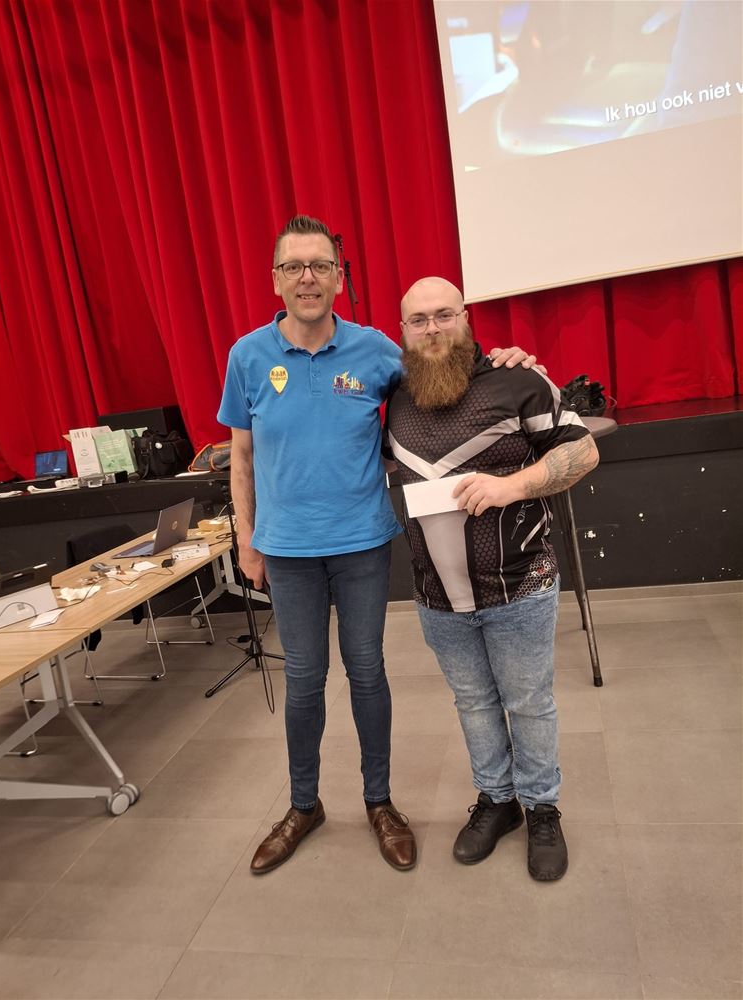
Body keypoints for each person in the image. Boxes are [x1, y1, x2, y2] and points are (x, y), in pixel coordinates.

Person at [217, 216, 537, 875]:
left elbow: (446, 371)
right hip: (287, 551)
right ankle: (302, 805)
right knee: (304, 679)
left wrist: (507, 360)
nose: (308, 277)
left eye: (320, 265)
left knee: (367, 672)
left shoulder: (376, 352)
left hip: (362, 545)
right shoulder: (247, 357)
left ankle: (379, 802)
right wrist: (246, 541)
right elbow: (240, 460)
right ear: (275, 280)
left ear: (339, 278)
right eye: (293, 266)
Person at [385, 276, 599, 881]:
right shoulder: (395, 400)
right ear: (403, 331)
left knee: (528, 702)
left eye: (443, 315)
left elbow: (583, 451)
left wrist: (513, 486)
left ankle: (542, 808)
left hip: (519, 585)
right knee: (474, 702)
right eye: (418, 319)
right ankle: (498, 800)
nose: (432, 328)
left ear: (466, 317)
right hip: (436, 596)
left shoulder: (519, 381)